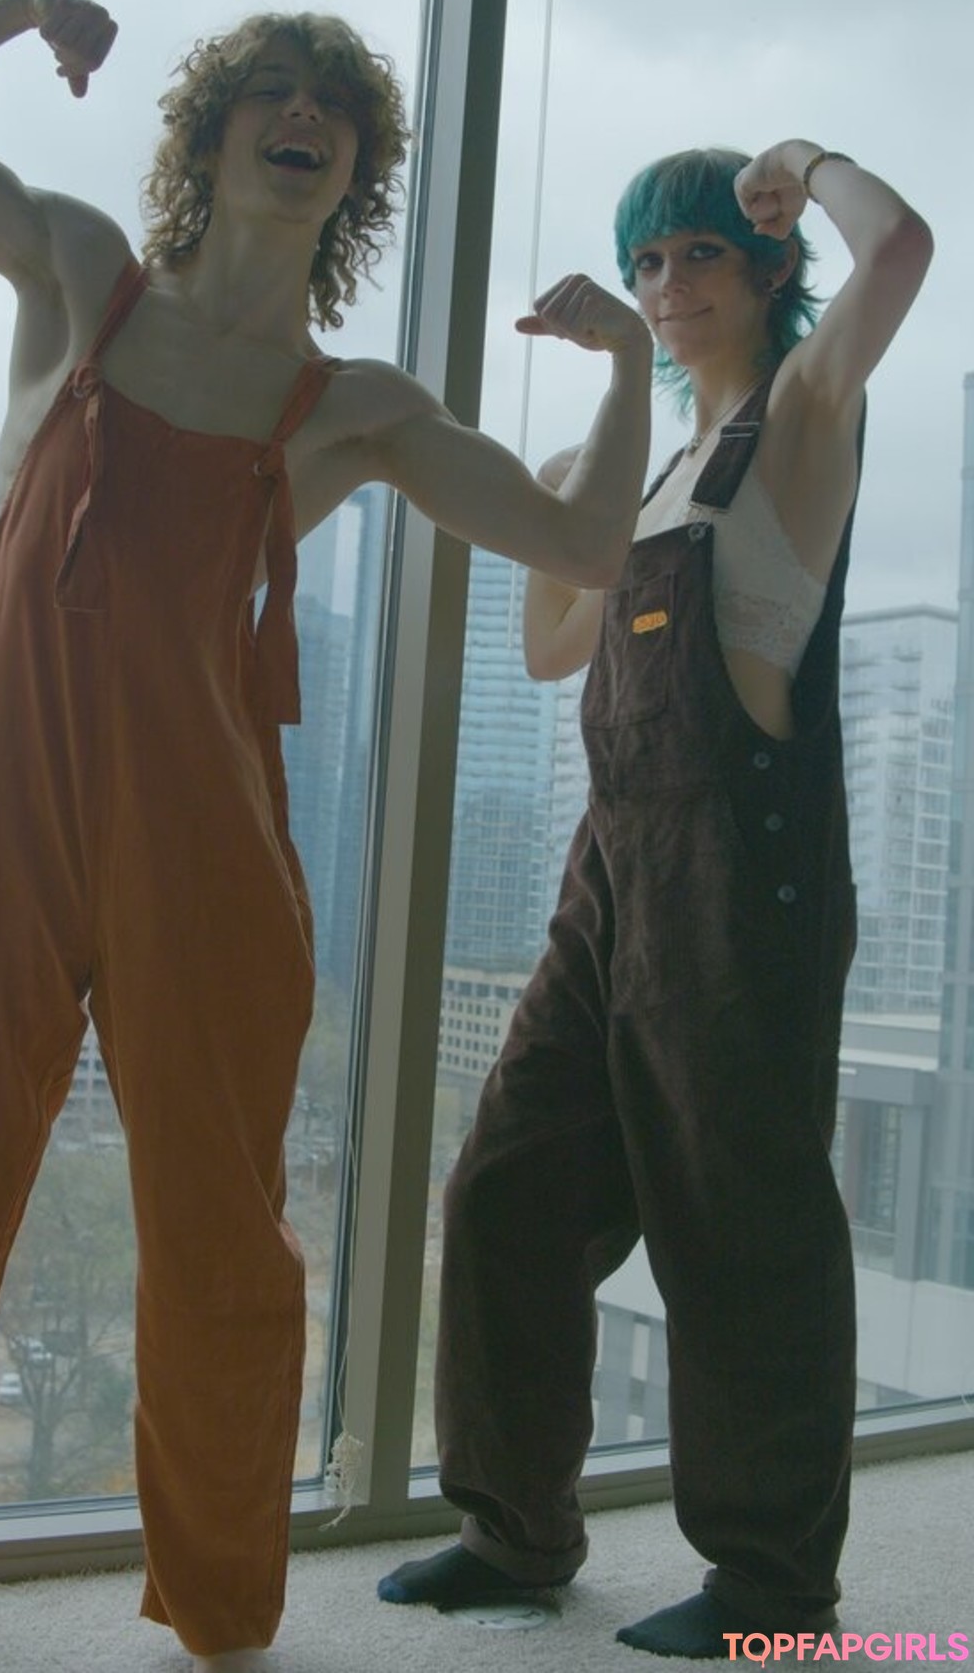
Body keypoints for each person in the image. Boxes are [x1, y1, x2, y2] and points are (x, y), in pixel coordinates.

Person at [0, 0, 654, 1672]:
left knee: (223, 1236)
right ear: (216, 131)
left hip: (208, 854)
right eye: (276, 91)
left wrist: (626, 368)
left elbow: (587, 549)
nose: (307, 114)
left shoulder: (354, 407)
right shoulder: (80, 274)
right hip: (1, 822)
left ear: (353, 168)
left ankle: (226, 1612)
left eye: (337, 106)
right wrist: (16, 11)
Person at [378, 142, 932, 1654]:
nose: (666, 285)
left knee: (736, 1223)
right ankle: (513, 1530)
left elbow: (899, 252)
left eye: (696, 254)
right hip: (615, 865)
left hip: (742, 869)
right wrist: (586, 466)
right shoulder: (656, 471)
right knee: (508, 1188)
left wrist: (802, 165)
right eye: (646, 262)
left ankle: (772, 1588)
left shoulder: (800, 413)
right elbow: (552, 645)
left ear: (767, 269)